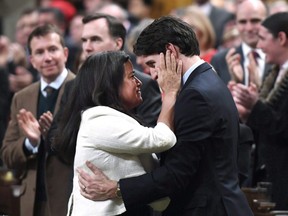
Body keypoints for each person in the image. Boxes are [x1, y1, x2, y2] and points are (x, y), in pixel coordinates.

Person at [76, 16, 253, 215]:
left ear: (171, 51)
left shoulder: (195, 94)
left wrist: (116, 188)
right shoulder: (206, 80)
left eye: (152, 63)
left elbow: (177, 173)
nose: (152, 74)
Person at [53, 50, 181, 216]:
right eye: (131, 76)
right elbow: (162, 139)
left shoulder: (111, 117)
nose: (138, 82)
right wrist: (170, 94)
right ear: (110, 85)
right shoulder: (98, 119)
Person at [0, 24, 75, 216]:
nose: (48, 57)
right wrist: (30, 143)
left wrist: (53, 136)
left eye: (53, 49)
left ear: (65, 53)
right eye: (40, 52)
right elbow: (7, 154)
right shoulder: (22, 97)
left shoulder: (81, 90)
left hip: (70, 201)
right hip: (30, 204)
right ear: (32, 60)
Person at [229, 12, 288, 210]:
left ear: (281, 38)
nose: (259, 46)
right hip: (270, 174)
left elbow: (282, 126)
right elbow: (269, 122)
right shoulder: (276, 72)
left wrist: (255, 106)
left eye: (263, 39)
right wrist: (247, 113)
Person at [211, 0, 270, 86]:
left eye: (255, 21)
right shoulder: (220, 61)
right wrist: (235, 85)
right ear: (236, 24)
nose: (249, 28)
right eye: (242, 22)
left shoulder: (280, 58)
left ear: (267, 21)